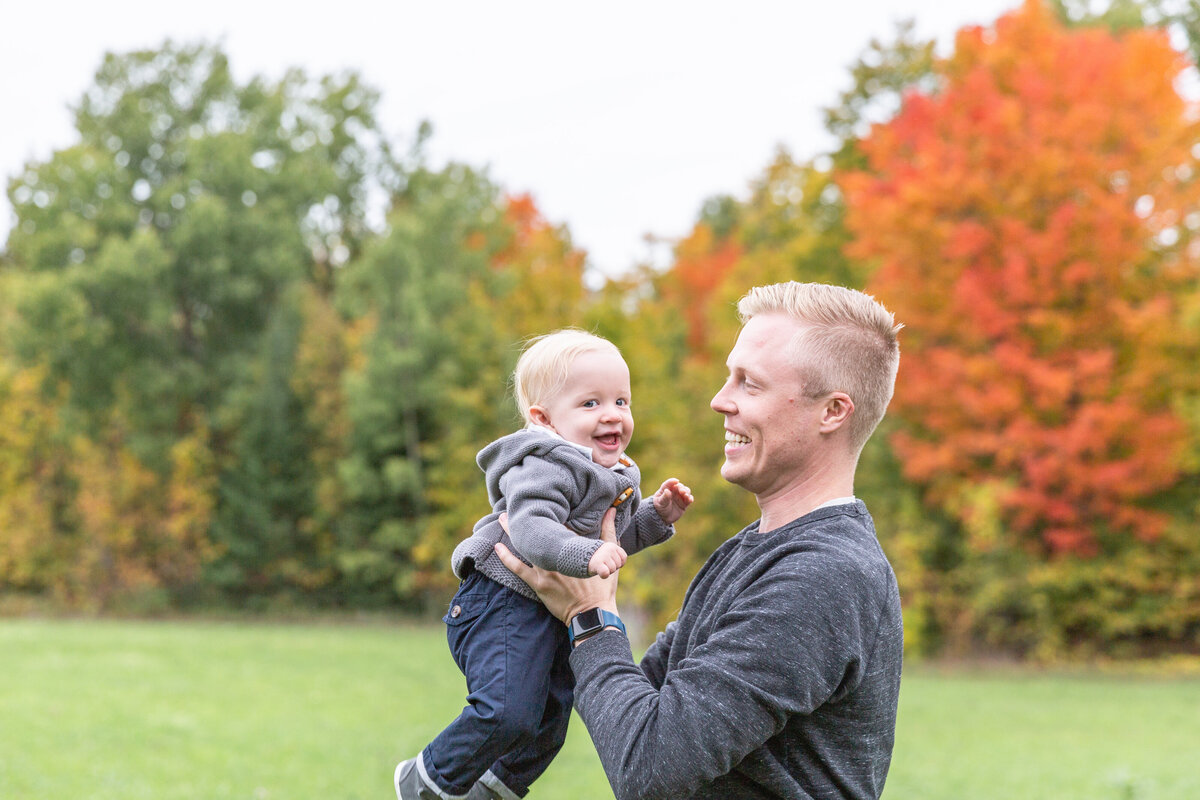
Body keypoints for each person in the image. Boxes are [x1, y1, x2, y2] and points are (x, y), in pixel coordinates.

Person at [494, 282, 905, 800]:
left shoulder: (822, 575)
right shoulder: (752, 550)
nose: (720, 400)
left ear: (832, 412)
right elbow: (633, 707)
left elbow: (649, 767)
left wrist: (590, 616)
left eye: (749, 384)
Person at [396, 329, 694, 800]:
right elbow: (534, 533)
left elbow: (610, 546)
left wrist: (656, 518)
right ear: (544, 419)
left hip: (547, 610)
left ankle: (490, 791)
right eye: (591, 404)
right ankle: (426, 779)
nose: (613, 414)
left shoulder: (614, 474)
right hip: (500, 601)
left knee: (549, 727)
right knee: (508, 712)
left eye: (621, 400)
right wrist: (588, 553)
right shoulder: (544, 464)